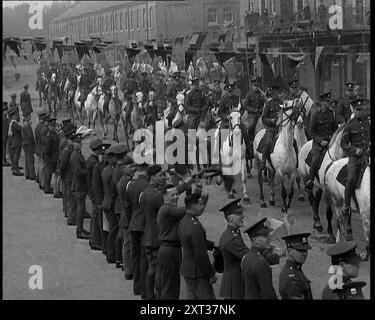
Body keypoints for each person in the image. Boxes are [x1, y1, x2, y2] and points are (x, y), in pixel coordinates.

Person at [155, 175, 195, 300]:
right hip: (170, 251)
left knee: (166, 283)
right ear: (165, 197)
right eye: (172, 195)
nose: (176, 197)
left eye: (176, 194)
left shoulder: (166, 209)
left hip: (168, 250)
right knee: (170, 286)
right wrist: (199, 194)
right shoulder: (168, 210)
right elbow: (189, 209)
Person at [178, 190, 216, 300]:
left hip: (188, 269)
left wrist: (212, 245)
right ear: (193, 205)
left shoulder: (185, 221)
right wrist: (211, 273)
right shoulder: (195, 226)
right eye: (200, 204)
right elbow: (200, 254)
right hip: (198, 272)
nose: (203, 206)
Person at [139, 165, 166, 299]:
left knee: (151, 267)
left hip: (147, 234)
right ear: (153, 177)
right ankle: (155, 295)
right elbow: (165, 214)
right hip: (156, 236)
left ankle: (148, 294)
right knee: (157, 269)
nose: (163, 178)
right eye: (160, 175)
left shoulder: (145, 193)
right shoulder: (156, 196)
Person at [340, 98, 370, 216]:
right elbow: (343, 144)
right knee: (351, 177)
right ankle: (347, 205)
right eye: (357, 110)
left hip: (367, 155)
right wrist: (354, 150)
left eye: (362, 109)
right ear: (354, 110)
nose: (360, 112)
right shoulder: (350, 125)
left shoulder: (368, 122)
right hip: (355, 157)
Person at [124, 163, 150, 298]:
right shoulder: (148, 185)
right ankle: (145, 289)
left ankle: (137, 286)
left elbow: (127, 207)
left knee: (136, 257)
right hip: (145, 225)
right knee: (145, 259)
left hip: (134, 224)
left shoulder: (130, 185)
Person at [305, 92, 338, 190]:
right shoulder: (316, 114)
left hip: (330, 142)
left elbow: (335, 129)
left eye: (329, 101)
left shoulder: (332, 114)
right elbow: (311, 132)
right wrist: (320, 141)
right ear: (322, 102)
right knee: (315, 158)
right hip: (318, 143)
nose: (328, 104)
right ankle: (310, 180)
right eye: (326, 102)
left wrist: (332, 138)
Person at [219, 199, 249, 300]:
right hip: (234, 285)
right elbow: (250, 257)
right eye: (239, 214)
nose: (242, 216)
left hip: (235, 283)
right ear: (230, 218)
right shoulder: (231, 239)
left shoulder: (233, 234)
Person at [241, 218, 278, 299]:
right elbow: (268, 293)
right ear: (255, 240)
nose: (269, 238)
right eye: (265, 236)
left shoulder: (247, 256)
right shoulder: (260, 262)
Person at [101, 144, 123, 263]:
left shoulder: (106, 170)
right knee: (113, 229)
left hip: (106, 201)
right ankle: (111, 254)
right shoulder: (112, 172)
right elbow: (115, 189)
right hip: (111, 202)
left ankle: (108, 251)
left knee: (109, 229)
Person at [86, 139, 110, 249]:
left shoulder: (92, 161)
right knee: (97, 218)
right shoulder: (94, 163)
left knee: (96, 217)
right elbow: (93, 181)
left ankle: (94, 239)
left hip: (95, 194)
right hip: (96, 195)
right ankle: (96, 241)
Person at [117, 156, 136, 280]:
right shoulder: (125, 183)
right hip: (127, 217)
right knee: (128, 244)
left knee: (127, 243)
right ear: (124, 167)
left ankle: (128, 268)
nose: (133, 168)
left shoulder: (126, 180)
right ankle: (128, 270)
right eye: (130, 166)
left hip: (126, 215)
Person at [279, 233, 313, 300]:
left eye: (305, 250)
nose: (305, 254)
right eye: (300, 250)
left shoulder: (295, 270)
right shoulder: (292, 279)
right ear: (289, 251)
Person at [69, 133, 90, 239]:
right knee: (80, 208)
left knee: (81, 207)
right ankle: (80, 229)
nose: (79, 144)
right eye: (77, 142)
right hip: (78, 185)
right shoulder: (75, 156)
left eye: (80, 142)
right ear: (73, 143)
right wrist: (87, 172)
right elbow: (78, 171)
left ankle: (81, 229)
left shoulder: (78, 154)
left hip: (80, 185)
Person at [259, 82, 282, 169]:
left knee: (293, 141)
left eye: (275, 93)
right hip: (271, 129)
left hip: (282, 128)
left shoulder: (282, 102)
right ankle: (263, 161)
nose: (274, 95)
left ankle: (296, 162)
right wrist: (270, 121)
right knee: (268, 142)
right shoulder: (268, 104)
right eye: (272, 94)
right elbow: (263, 118)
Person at [43, 117, 60, 194]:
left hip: (53, 156)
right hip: (51, 157)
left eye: (54, 126)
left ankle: (47, 186)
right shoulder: (49, 135)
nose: (54, 127)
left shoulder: (53, 134)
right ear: (49, 126)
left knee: (50, 172)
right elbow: (47, 148)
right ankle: (46, 188)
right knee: (49, 172)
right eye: (52, 126)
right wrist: (49, 156)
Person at [34, 113, 49, 188]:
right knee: (43, 167)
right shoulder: (43, 128)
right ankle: (42, 183)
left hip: (38, 148)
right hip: (42, 149)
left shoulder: (37, 126)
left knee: (40, 165)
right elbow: (44, 141)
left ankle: (39, 179)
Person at [7, 107, 24, 176]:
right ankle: (15, 169)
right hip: (16, 141)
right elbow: (21, 129)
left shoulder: (11, 122)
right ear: (13, 115)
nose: (17, 115)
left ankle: (14, 167)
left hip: (13, 141)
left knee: (14, 155)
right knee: (16, 156)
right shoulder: (14, 123)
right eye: (16, 114)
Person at [21, 113, 36, 180]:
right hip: (29, 144)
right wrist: (34, 142)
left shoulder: (24, 125)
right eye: (29, 116)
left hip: (25, 143)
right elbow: (30, 136)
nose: (30, 117)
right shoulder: (28, 126)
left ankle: (27, 174)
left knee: (27, 159)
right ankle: (32, 175)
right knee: (31, 160)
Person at [3, 102, 11, 167]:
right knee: (3, 148)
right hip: (3, 136)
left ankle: (4, 160)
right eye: (5, 110)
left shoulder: (5, 118)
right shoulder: (4, 119)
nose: (7, 112)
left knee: (4, 147)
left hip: (5, 136)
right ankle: (3, 161)